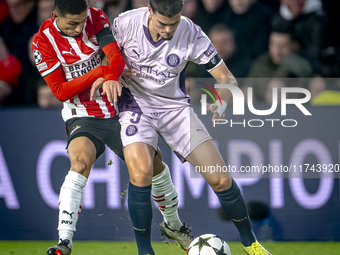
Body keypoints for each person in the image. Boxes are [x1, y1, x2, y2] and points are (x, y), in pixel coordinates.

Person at [92, 0, 272, 254]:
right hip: (135, 107)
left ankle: (250, 244)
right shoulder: (125, 23)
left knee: (220, 179)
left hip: (175, 109)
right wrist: (112, 71)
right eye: (163, 24)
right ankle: (145, 251)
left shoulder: (191, 32)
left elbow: (226, 78)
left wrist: (221, 101)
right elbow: (98, 54)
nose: (168, 30)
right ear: (150, 11)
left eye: (174, 23)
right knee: (141, 174)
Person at [32, 0, 193, 254]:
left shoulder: (96, 18)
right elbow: (60, 91)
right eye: (72, 24)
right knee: (80, 163)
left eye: (82, 21)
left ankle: (174, 224)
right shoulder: (42, 42)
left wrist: (109, 75)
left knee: (154, 164)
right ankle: (64, 242)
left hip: (120, 109)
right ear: (55, 16)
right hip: (82, 114)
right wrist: (101, 72)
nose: (78, 28)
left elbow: (116, 57)